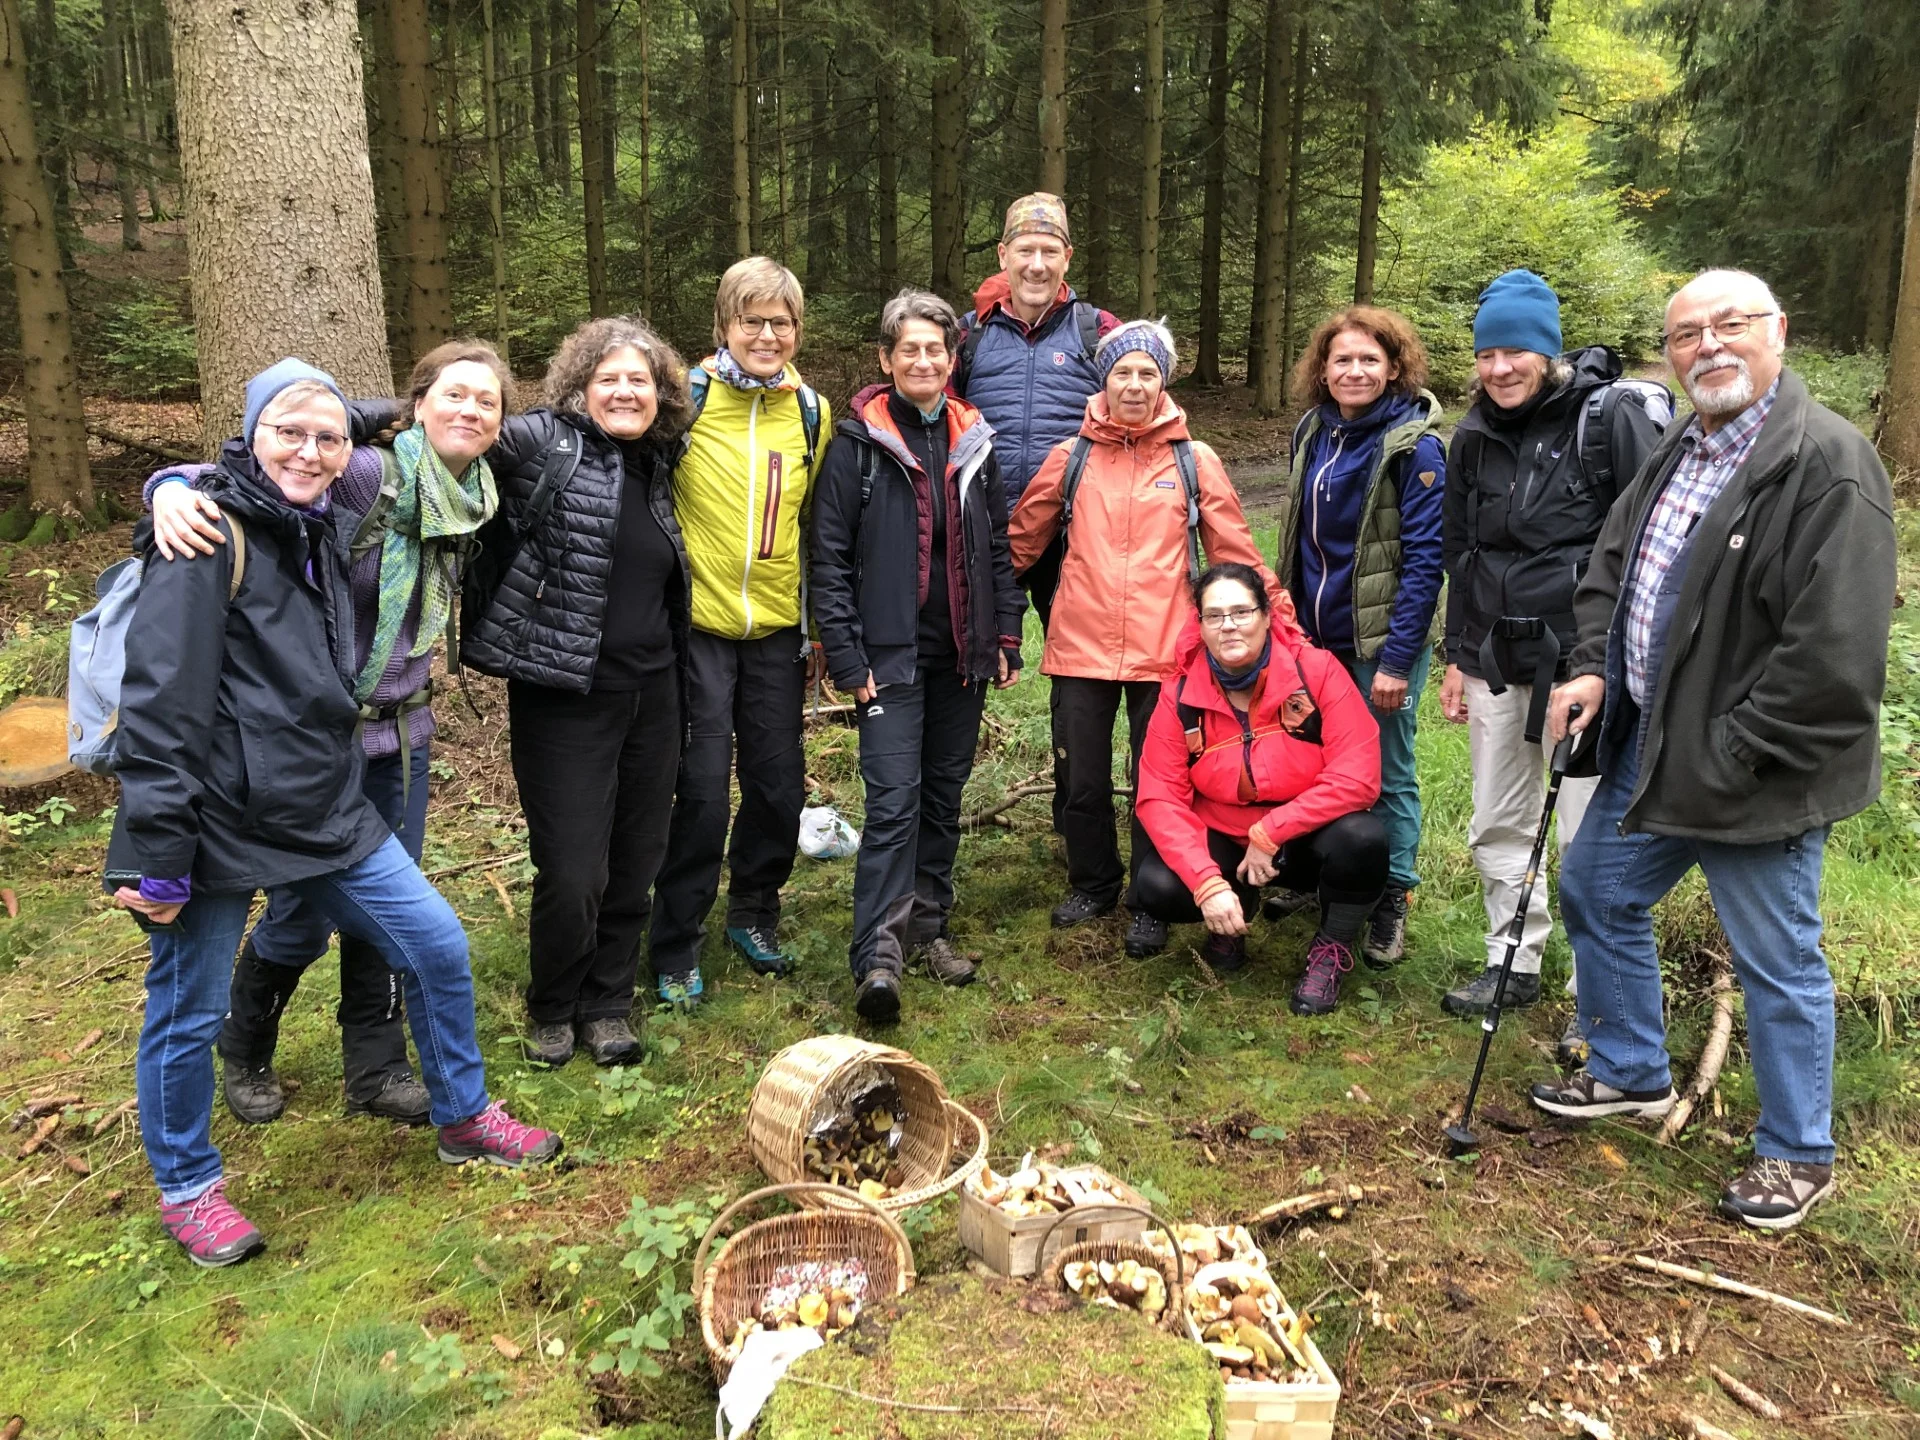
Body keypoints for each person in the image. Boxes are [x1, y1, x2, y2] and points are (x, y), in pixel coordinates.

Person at [113, 360, 560, 1267]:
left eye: (326, 437)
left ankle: (463, 1115)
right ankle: (190, 1187)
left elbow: (370, 420)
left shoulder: (314, 520)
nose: (310, 452)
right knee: (186, 1011)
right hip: (212, 818)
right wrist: (153, 854)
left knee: (435, 942)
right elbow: (162, 704)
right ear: (246, 438)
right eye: (287, 433)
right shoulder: (204, 535)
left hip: (321, 798)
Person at [1533, 270, 1896, 1232]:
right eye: (1688, 334)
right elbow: (1615, 566)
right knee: (1597, 888)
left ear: (1778, 330)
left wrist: (1736, 749)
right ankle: (1630, 1069)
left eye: (1730, 325)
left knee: (1776, 957)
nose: (1709, 346)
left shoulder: (1829, 463)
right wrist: (1593, 669)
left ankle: (1796, 1154)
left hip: (1755, 766)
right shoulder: (1681, 449)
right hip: (1654, 739)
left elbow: (1833, 655)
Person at [148, 342, 514, 1124]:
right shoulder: (364, 476)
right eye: (451, 395)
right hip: (317, 739)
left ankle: (375, 1070)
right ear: (414, 407)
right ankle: (244, 1044)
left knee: (388, 918)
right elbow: (262, 465)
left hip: (403, 738)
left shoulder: (479, 490)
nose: (470, 412)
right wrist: (169, 487)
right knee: (303, 918)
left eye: (488, 402)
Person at [1436, 271, 1669, 1039]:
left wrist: (1607, 665)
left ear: (1549, 350)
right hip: (1496, 658)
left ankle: (1598, 992)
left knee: (1587, 832)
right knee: (1497, 818)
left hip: (1585, 666)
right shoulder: (1471, 434)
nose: (1500, 368)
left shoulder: (1612, 418)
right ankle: (1513, 959)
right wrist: (1456, 653)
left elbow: (1657, 544)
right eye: (1487, 353)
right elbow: (1461, 551)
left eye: (1516, 351)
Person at [456, 317, 694, 1062]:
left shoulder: (660, 461)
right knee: (572, 866)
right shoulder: (537, 445)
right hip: (563, 696)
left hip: (655, 693)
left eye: (640, 380)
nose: (626, 392)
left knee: (636, 855)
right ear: (579, 386)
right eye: (609, 378)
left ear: (660, 394)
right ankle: (553, 1004)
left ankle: (609, 1004)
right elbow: (432, 432)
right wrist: (184, 481)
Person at [1010, 320, 1283, 960]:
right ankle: (1092, 882)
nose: (1134, 385)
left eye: (1147, 373)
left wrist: (1279, 621)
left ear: (1164, 381)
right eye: (1122, 373)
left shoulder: (1194, 459)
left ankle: (1150, 895)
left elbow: (1234, 553)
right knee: (1080, 777)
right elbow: (1020, 544)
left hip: (1169, 651)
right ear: (1104, 380)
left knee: (1158, 784)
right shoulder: (1071, 456)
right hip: (1079, 646)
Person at [809, 288, 1026, 1022]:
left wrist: (1005, 635)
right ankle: (878, 953)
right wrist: (846, 656)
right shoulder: (857, 447)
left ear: (952, 357)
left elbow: (998, 547)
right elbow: (829, 561)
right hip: (887, 661)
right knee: (894, 804)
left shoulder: (975, 441)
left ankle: (929, 926)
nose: (925, 360)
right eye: (911, 350)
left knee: (941, 798)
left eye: (936, 348)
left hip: (960, 658)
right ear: (887, 359)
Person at [648, 258, 831, 999]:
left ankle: (754, 909)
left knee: (779, 786)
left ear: (796, 331)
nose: (765, 334)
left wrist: (818, 629)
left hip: (778, 632)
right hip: (698, 629)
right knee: (698, 791)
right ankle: (676, 940)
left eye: (780, 322)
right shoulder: (684, 402)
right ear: (724, 325)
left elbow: (814, 523)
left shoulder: (811, 411)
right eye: (751, 320)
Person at [1273, 307, 1445, 971]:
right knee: (1317, 760)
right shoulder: (1313, 432)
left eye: (1369, 360)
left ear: (1394, 368)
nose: (1354, 370)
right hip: (1314, 640)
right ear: (1323, 368)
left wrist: (1398, 659)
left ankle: (1391, 898)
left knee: (1387, 773)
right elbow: (1296, 539)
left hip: (1379, 644)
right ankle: (1324, 875)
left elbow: (1427, 560)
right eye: (1342, 359)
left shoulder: (1415, 445)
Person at [1133, 566, 1388, 1012]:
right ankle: (1233, 910)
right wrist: (1207, 882)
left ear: (1268, 616)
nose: (1228, 625)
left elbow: (1358, 776)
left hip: (1308, 837)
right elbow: (1159, 797)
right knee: (1158, 885)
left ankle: (1331, 948)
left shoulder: (1318, 672)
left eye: (1241, 611)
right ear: (1200, 625)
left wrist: (1271, 832)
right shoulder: (1179, 693)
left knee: (1363, 841)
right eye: (1214, 616)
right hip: (1225, 834)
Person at [952, 193, 1118, 837]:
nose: (1038, 263)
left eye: (1050, 251)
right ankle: (940, 811)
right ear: (1004, 255)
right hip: (980, 533)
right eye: (1026, 250)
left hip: (1069, 537)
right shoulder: (966, 335)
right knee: (963, 664)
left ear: (1067, 257)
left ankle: (1072, 822)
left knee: (1077, 682)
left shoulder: (1096, 331)